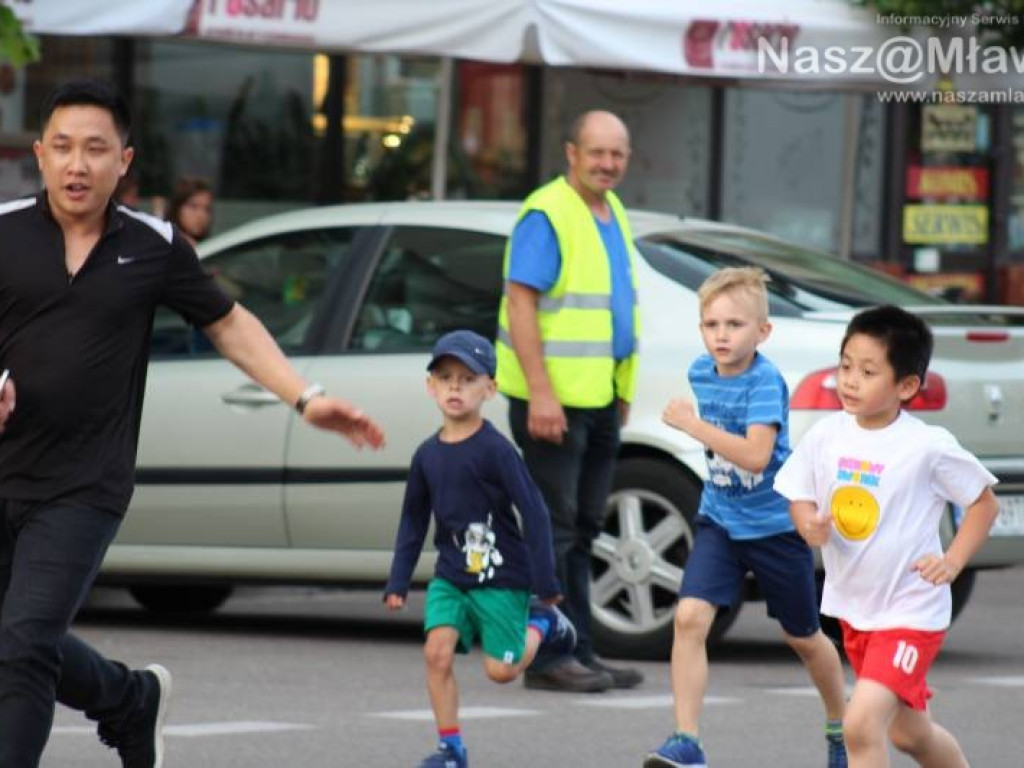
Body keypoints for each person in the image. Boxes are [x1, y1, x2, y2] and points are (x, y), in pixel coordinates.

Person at [0, 79, 385, 768]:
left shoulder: (153, 247)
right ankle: (128, 701)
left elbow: (229, 324)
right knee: (17, 635)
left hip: (83, 485)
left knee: (23, 643)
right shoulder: (2, 231)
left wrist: (306, 397)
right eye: (62, 148)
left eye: (95, 149)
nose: (77, 165)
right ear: (40, 155)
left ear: (125, 160)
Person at [775, 305, 999, 768]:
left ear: (907, 386)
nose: (850, 380)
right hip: (857, 612)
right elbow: (797, 493)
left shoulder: (926, 445)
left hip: (911, 613)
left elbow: (983, 503)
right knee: (910, 734)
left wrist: (953, 561)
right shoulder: (826, 436)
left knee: (860, 725)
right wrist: (807, 521)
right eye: (845, 366)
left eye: (868, 371)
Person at [646, 267, 848, 768]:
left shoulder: (764, 381)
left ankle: (840, 725)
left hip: (775, 527)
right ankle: (686, 741)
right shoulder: (700, 372)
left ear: (762, 332)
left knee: (803, 637)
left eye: (734, 325)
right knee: (690, 618)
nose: (721, 335)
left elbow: (757, 456)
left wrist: (692, 426)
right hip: (720, 520)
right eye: (711, 324)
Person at [496, 110, 643, 693]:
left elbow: (619, 306)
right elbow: (520, 302)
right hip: (553, 403)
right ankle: (548, 657)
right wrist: (540, 392)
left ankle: (579, 646)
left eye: (618, 154)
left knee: (582, 529)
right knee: (553, 531)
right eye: (597, 152)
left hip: (599, 398)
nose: (608, 163)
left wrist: (623, 391)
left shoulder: (612, 211)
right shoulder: (548, 212)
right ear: (571, 153)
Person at [383, 330, 575, 768]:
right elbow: (413, 519)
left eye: (468, 378)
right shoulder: (426, 456)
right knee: (436, 652)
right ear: (430, 386)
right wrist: (399, 579)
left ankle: (544, 623)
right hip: (452, 577)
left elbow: (536, 512)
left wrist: (544, 581)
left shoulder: (497, 451)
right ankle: (451, 749)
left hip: (502, 578)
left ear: (490, 388)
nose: (455, 387)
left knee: (501, 672)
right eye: (445, 377)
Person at [164, 175, 214, 246]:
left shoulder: (211, 247)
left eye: (207, 209)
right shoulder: (162, 245)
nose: (201, 215)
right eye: (193, 206)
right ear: (177, 208)